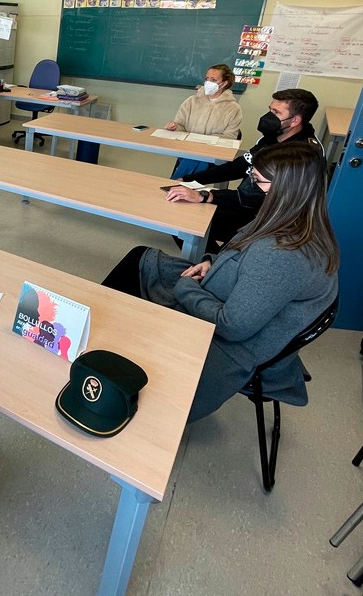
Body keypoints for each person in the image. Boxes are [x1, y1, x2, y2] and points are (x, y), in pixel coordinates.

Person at [102, 141, 338, 422]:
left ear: (283, 189)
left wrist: (186, 287)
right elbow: (243, 253)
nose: (251, 184)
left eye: (257, 180)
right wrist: (211, 260)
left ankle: (107, 358)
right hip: (223, 291)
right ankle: (106, 343)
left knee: (130, 290)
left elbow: (231, 326)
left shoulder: (282, 254)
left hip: (223, 338)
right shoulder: (294, 221)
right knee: (140, 258)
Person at [168, 88, 321, 253]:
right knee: (183, 217)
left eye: (276, 112)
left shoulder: (301, 155)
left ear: (295, 120)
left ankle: (216, 266)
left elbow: (258, 197)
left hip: (266, 218)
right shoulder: (272, 138)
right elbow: (238, 167)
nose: (269, 116)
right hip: (246, 202)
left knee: (187, 223)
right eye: (270, 109)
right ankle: (215, 262)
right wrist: (189, 180)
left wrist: (206, 196)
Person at [165, 63, 243, 179]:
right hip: (188, 149)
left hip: (213, 153)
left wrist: (202, 144)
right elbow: (180, 125)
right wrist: (174, 127)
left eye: (214, 79)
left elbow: (230, 137)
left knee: (195, 159)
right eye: (207, 79)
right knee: (192, 158)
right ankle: (183, 184)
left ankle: (177, 183)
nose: (208, 82)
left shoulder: (233, 108)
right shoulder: (191, 101)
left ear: (224, 83)